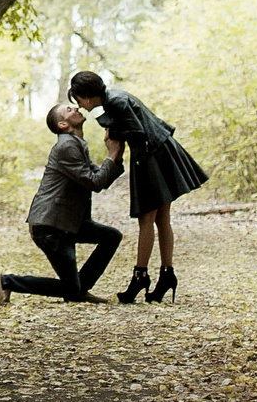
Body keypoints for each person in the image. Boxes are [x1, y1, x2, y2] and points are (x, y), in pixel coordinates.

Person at [69, 69, 206, 304]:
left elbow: (138, 133)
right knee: (162, 218)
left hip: (152, 155)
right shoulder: (116, 98)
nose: (80, 106)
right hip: (159, 151)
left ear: (88, 96)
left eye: (79, 100)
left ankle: (140, 276)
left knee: (147, 219)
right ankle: (167, 275)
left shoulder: (115, 103)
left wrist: (111, 132)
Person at [0, 103, 122, 305]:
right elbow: (95, 183)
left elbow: (100, 179)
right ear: (62, 124)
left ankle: (80, 288)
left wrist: (117, 155)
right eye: (69, 110)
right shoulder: (66, 146)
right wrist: (112, 155)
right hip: (50, 226)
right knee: (70, 291)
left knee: (111, 237)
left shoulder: (77, 144)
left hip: (70, 224)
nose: (76, 109)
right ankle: (7, 281)